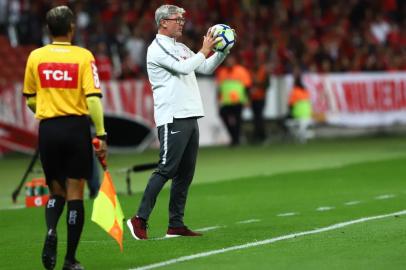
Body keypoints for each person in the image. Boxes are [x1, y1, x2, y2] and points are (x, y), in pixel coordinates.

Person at [126, 4, 229, 240]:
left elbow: (203, 67)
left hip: (190, 114)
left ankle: (175, 225)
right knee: (166, 169)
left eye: (182, 19)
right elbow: (184, 68)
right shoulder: (156, 49)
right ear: (163, 22)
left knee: (185, 174)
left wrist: (222, 51)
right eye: (177, 19)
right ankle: (139, 219)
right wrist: (203, 50)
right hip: (172, 116)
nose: (182, 22)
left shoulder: (180, 47)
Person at [22, 6, 107, 270]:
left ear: (48, 29)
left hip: (48, 130)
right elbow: (92, 99)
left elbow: (30, 98)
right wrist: (101, 133)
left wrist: (47, 108)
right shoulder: (83, 56)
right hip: (75, 129)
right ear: (72, 28)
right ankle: (70, 259)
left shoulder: (36, 57)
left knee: (55, 191)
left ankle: (50, 230)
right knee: (75, 194)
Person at [216, 55, 252, 146]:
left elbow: (247, 87)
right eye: (228, 61)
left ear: (235, 61)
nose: (229, 63)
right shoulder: (222, 72)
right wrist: (219, 99)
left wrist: (247, 100)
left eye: (231, 61)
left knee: (238, 121)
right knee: (223, 115)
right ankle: (234, 137)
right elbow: (220, 88)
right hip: (226, 101)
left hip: (238, 101)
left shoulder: (241, 71)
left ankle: (236, 140)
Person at [286, 73, 313, 143]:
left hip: (298, 113)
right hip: (307, 113)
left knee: (288, 123)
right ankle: (304, 135)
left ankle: (302, 135)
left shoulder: (295, 91)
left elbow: (290, 104)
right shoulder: (305, 90)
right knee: (302, 127)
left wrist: (289, 113)